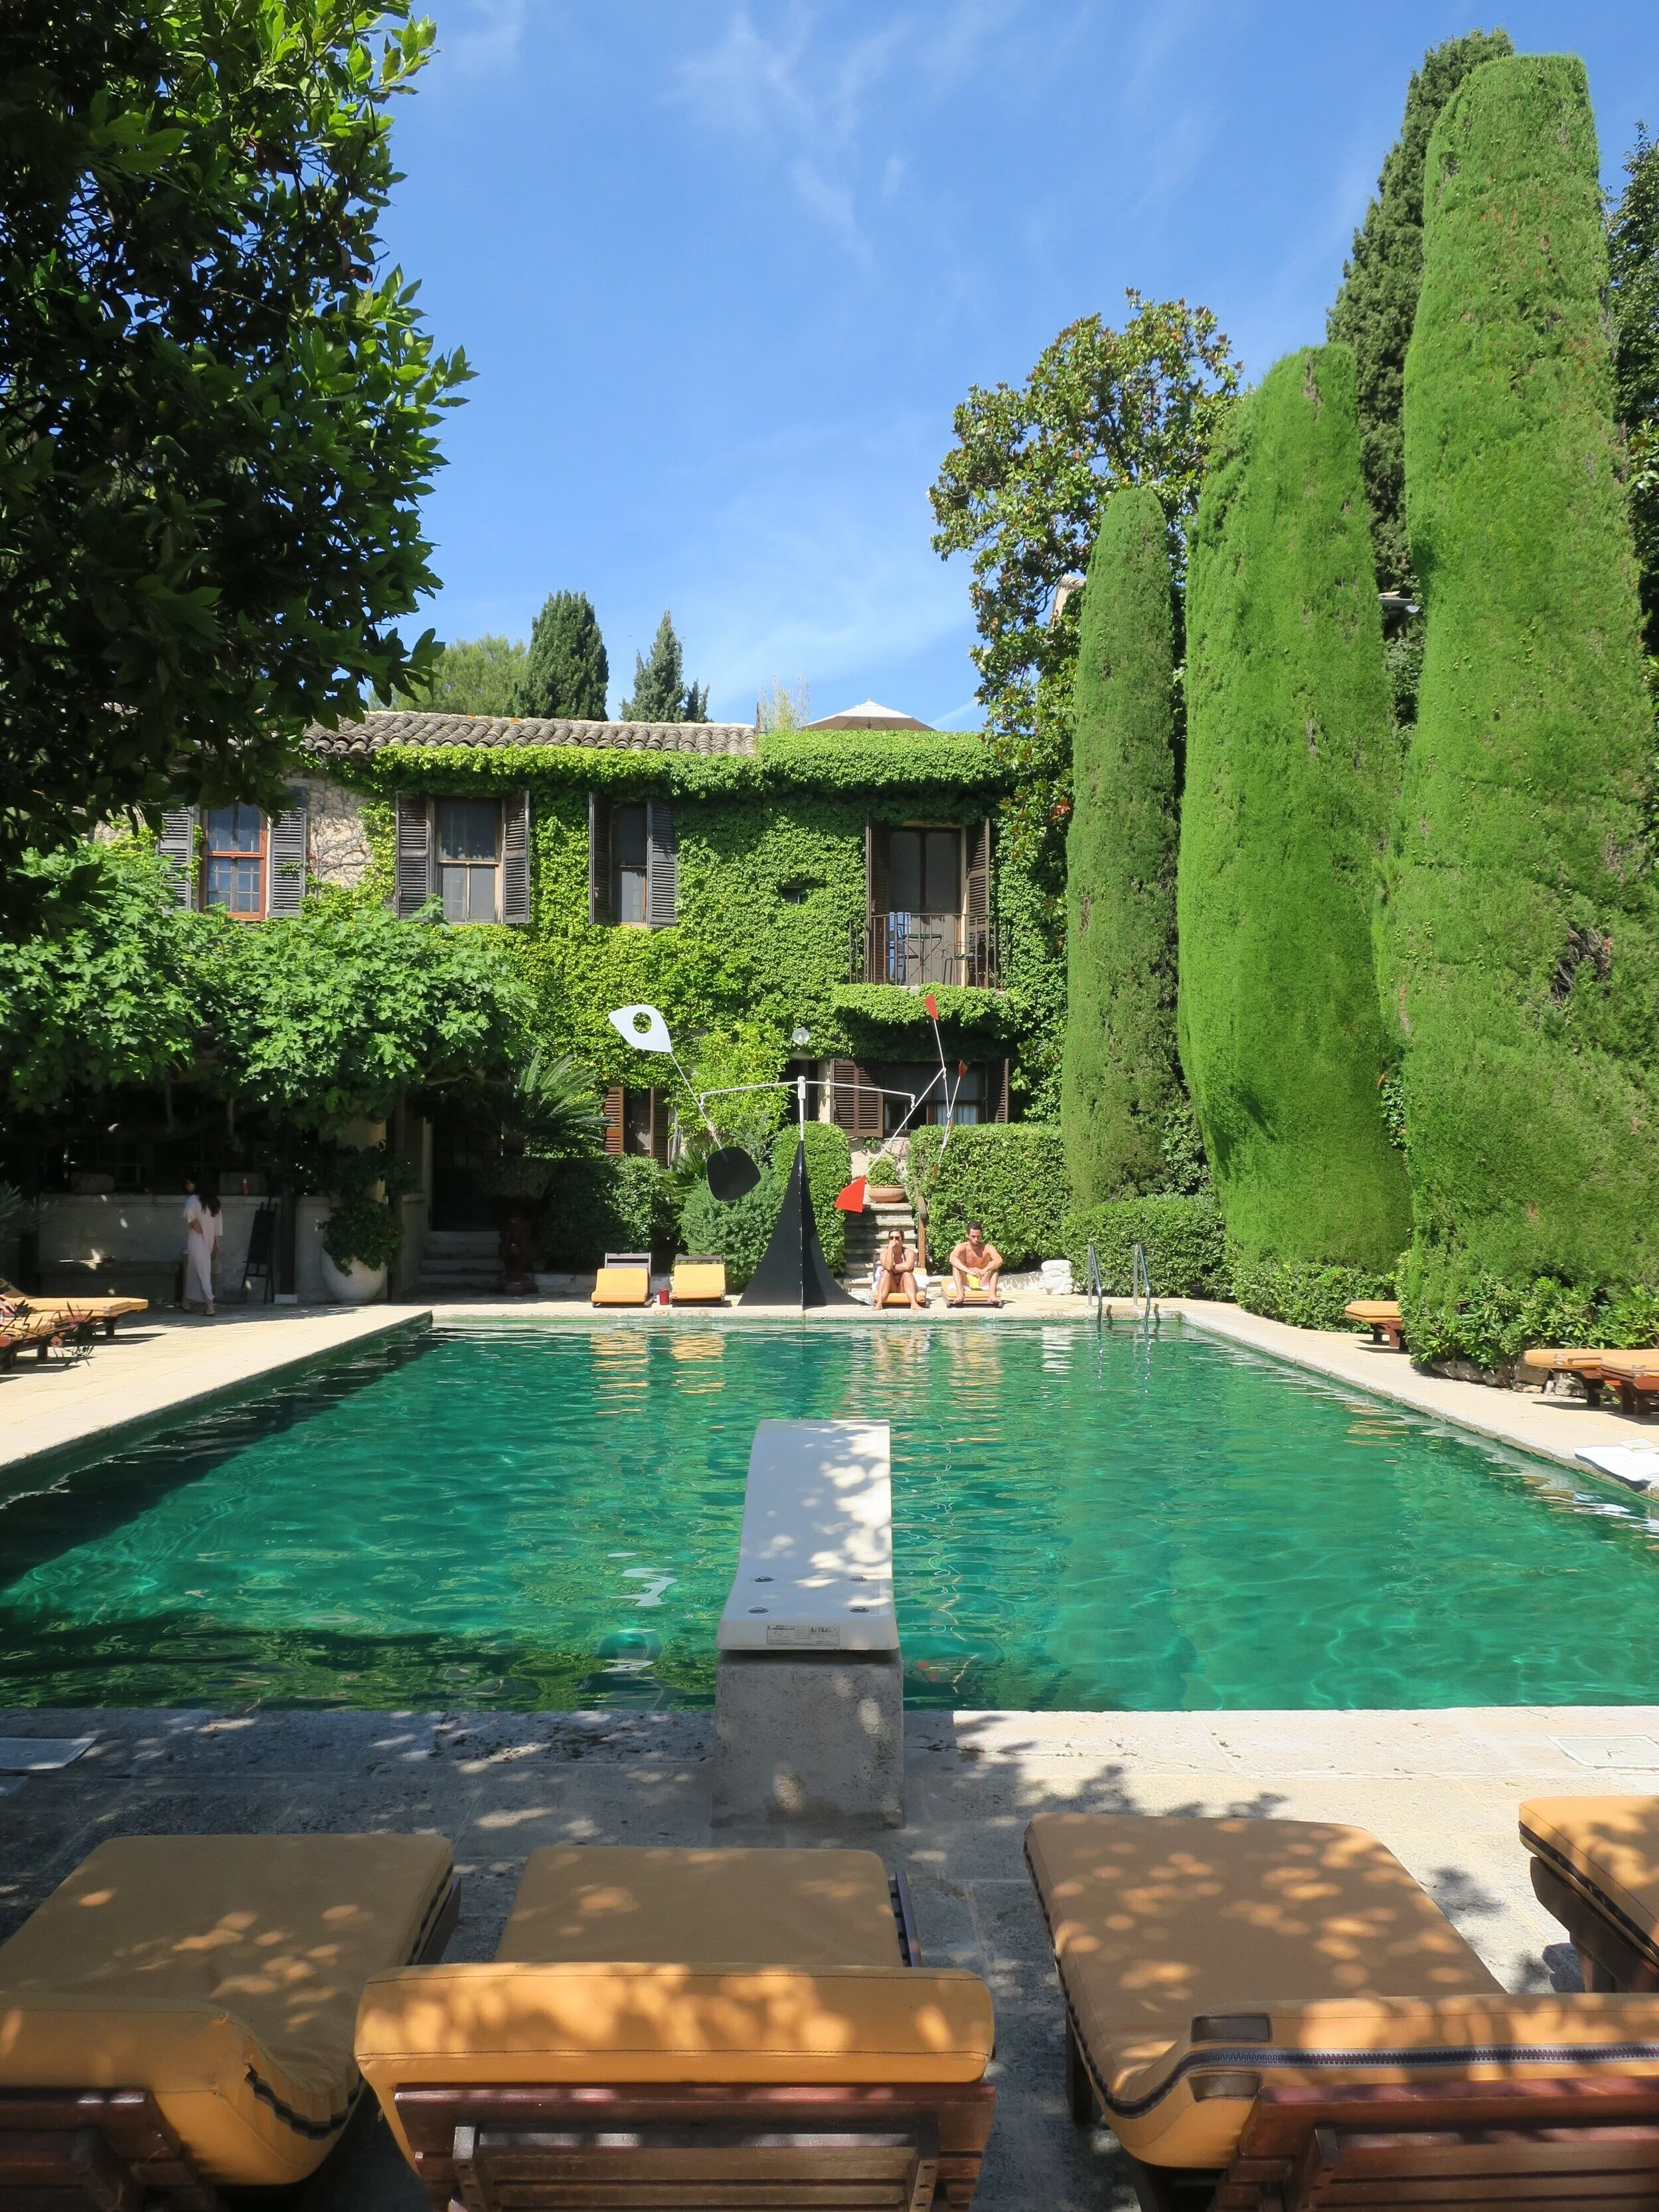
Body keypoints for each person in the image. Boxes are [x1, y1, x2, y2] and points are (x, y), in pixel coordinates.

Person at [183, 1175, 222, 1315]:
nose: (188, 1186)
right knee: (196, 1270)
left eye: (190, 1183)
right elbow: (218, 1225)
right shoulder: (214, 1202)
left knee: (199, 1271)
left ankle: (209, 1307)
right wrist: (217, 1242)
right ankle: (188, 1302)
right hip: (208, 1240)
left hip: (197, 1239)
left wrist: (194, 1223)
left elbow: (189, 1214)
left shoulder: (193, 1200)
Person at [946, 1222, 1004, 1307]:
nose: (976, 1239)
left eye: (978, 1236)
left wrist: (984, 1270)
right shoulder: (962, 1247)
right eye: (973, 1236)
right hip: (966, 1280)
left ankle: (992, 1295)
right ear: (967, 1235)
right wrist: (969, 1271)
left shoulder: (988, 1248)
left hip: (983, 1280)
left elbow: (999, 1261)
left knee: (994, 1266)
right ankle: (960, 1294)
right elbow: (952, 1259)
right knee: (956, 1266)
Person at [872, 1226, 927, 1311]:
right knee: (887, 1273)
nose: (894, 1240)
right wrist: (890, 1249)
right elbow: (889, 1267)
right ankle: (879, 1304)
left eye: (897, 1238)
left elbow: (908, 1266)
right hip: (890, 1285)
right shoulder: (884, 1253)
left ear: (902, 1241)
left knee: (907, 1273)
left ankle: (914, 1304)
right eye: (891, 1238)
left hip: (903, 1286)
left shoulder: (909, 1253)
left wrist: (892, 1268)